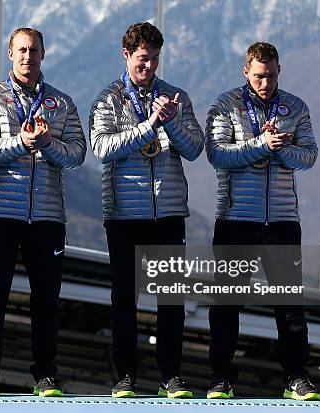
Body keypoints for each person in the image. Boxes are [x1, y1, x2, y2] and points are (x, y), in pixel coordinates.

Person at [89, 22, 204, 398]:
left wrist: (170, 123)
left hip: (168, 212)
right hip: (124, 214)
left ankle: (171, 375)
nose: (149, 66)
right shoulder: (107, 99)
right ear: (126, 55)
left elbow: (195, 149)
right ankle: (126, 376)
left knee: (170, 298)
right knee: (125, 298)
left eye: (154, 59)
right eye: (142, 59)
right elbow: (103, 148)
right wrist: (150, 125)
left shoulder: (176, 97)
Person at [0, 27, 86, 397]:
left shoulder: (62, 103)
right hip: (0, 213)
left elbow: (78, 154)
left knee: (47, 300)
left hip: (48, 216)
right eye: (21, 50)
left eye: (34, 50)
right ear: (10, 54)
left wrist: (49, 143)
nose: (27, 56)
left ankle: (45, 374)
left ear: (43, 54)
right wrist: (21, 141)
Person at [204, 41, 320, 400]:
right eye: (258, 76)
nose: (264, 83)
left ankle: (297, 377)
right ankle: (221, 377)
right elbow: (217, 155)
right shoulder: (226, 105)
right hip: (237, 220)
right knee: (227, 304)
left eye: (270, 76)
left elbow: (310, 156)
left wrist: (283, 149)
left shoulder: (296, 107)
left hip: (283, 220)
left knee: (289, 306)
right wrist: (260, 144)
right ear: (245, 72)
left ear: (279, 70)